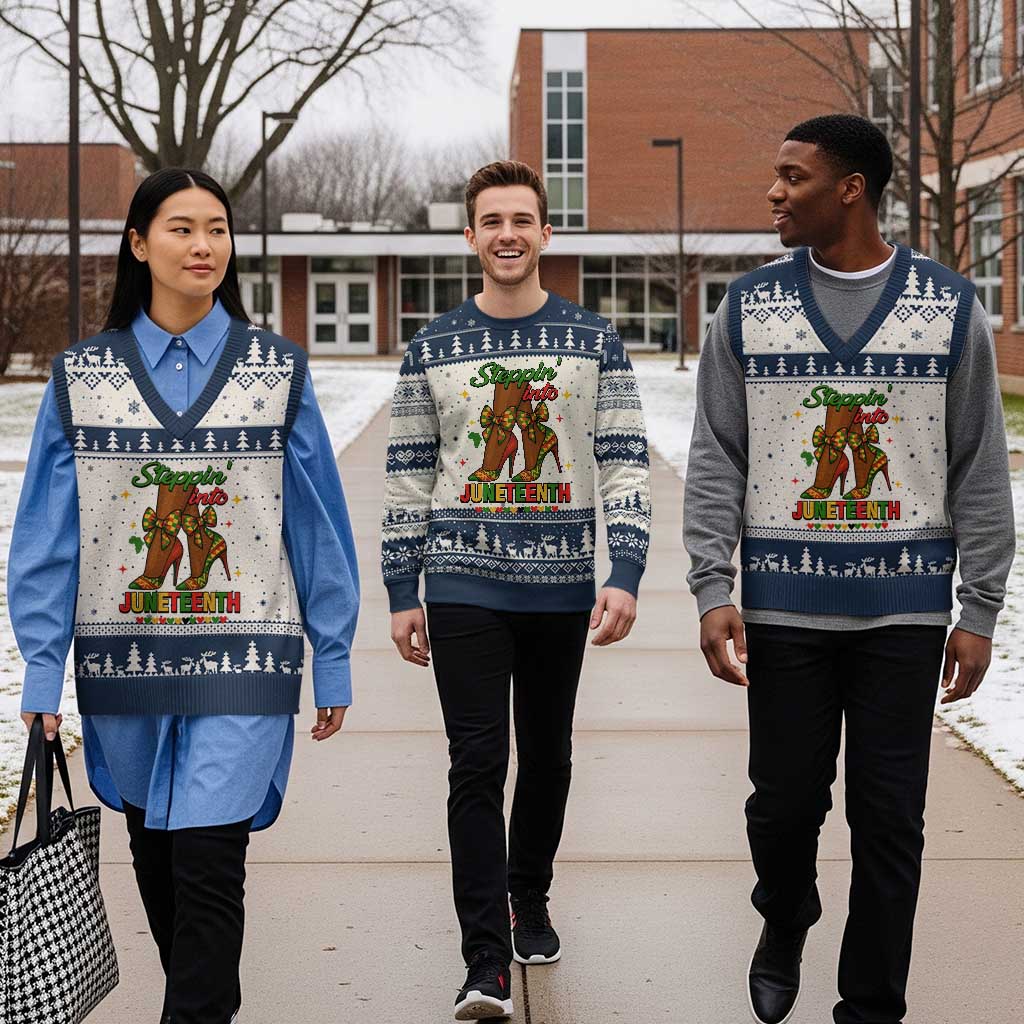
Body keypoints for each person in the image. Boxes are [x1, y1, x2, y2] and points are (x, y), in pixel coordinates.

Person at [684, 113, 1014, 1024]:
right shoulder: (749, 307)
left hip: (904, 618)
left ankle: (871, 1005)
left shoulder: (947, 308)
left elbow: (979, 465)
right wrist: (714, 585)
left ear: (851, 189)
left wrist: (980, 607)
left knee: (889, 824)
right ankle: (784, 913)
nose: (774, 192)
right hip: (785, 611)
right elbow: (717, 453)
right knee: (782, 811)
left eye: (793, 176)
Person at [11, 168, 359, 1024]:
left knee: (210, 864)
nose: (203, 246)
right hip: (122, 662)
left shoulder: (277, 372)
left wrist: (335, 654)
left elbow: (316, 524)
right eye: (180, 228)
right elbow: (48, 539)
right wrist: (42, 675)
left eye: (216, 229)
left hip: (247, 659)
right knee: (159, 861)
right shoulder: (81, 378)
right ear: (138, 244)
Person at [381, 160, 652, 1021]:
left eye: (522, 220)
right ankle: (484, 961)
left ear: (545, 233)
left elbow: (623, 460)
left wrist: (627, 569)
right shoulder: (431, 348)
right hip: (462, 581)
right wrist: (401, 587)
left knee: (549, 753)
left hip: (561, 586)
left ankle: (527, 895)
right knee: (477, 761)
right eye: (491, 220)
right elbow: (407, 477)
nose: (507, 234)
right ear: (470, 236)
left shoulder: (593, 340)